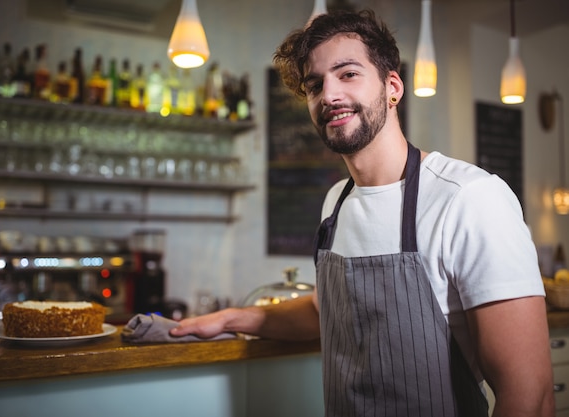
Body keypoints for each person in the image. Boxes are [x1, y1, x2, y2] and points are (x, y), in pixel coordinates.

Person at [170, 9, 555, 417]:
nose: (329, 95)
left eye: (348, 73)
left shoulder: (470, 199)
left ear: (392, 86)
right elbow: (326, 309)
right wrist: (231, 318)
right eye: (314, 85)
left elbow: (529, 397)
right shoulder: (337, 201)